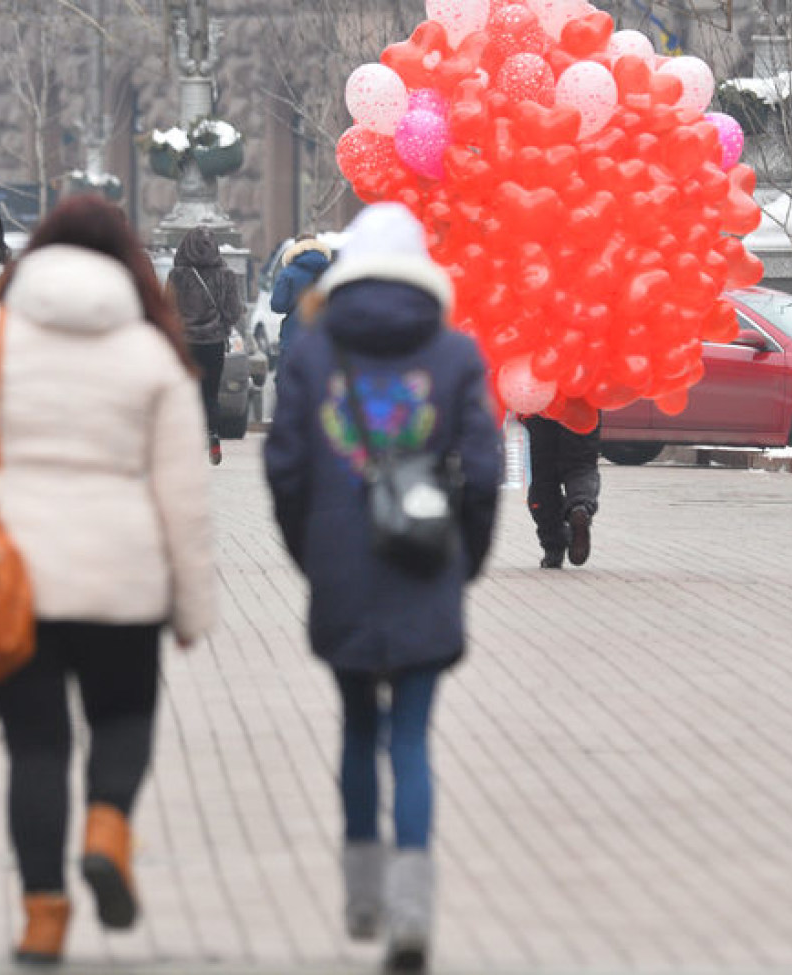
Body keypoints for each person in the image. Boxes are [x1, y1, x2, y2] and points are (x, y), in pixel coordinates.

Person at [0, 196, 216, 967]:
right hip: (123, 572)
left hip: (11, 573)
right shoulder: (148, 352)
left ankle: (42, 916)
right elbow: (184, 497)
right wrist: (192, 603)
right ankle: (107, 828)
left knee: (36, 748)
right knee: (124, 717)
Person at [264, 202, 501, 975]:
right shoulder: (456, 353)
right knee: (414, 738)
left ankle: (363, 895)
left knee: (358, 727)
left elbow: (285, 467)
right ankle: (411, 910)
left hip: (340, 561)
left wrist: (312, 554)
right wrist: (464, 559)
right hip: (426, 559)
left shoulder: (312, 350)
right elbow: (488, 470)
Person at [165, 225, 244, 466]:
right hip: (213, 343)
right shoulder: (225, 275)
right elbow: (233, 311)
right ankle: (213, 436)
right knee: (210, 393)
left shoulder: (177, 276)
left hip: (185, 343)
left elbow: (166, 308)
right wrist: (223, 324)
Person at [521, 414, 599, 568]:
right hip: (583, 402)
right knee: (581, 467)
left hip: (540, 405)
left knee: (543, 476)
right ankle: (580, 506)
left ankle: (554, 547)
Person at [270, 233, 332, 365]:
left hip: (294, 336)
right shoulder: (333, 272)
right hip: (325, 336)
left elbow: (277, 305)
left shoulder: (288, 273)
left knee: (292, 380)